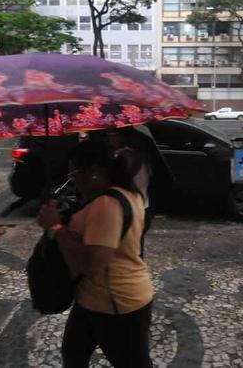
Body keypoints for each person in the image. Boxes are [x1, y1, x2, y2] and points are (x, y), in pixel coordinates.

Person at [37, 140, 154, 368]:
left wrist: (56, 227)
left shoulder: (107, 205)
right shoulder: (130, 192)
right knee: (73, 355)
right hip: (91, 298)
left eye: (74, 172)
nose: (72, 179)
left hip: (117, 303)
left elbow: (92, 265)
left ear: (92, 172)